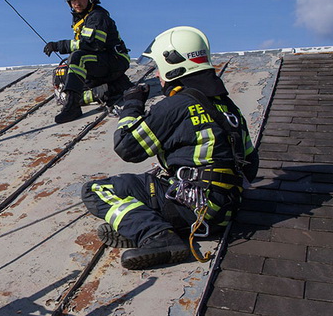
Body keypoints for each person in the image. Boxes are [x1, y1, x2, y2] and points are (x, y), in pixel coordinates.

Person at [81, 26, 259, 269]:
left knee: (96, 190)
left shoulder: (177, 106)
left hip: (191, 208)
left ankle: (155, 235)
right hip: (225, 210)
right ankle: (153, 225)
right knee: (149, 185)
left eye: (158, 69)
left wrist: (132, 105)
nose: (157, 76)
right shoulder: (228, 107)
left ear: (173, 64)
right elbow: (251, 165)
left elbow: (127, 148)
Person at [43, 0, 133, 124]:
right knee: (66, 75)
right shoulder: (81, 18)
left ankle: (72, 107)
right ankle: (114, 88)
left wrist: (58, 46)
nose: (76, 3)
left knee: (78, 58)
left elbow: (92, 44)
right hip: (100, 64)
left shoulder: (97, 16)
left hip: (115, 60)